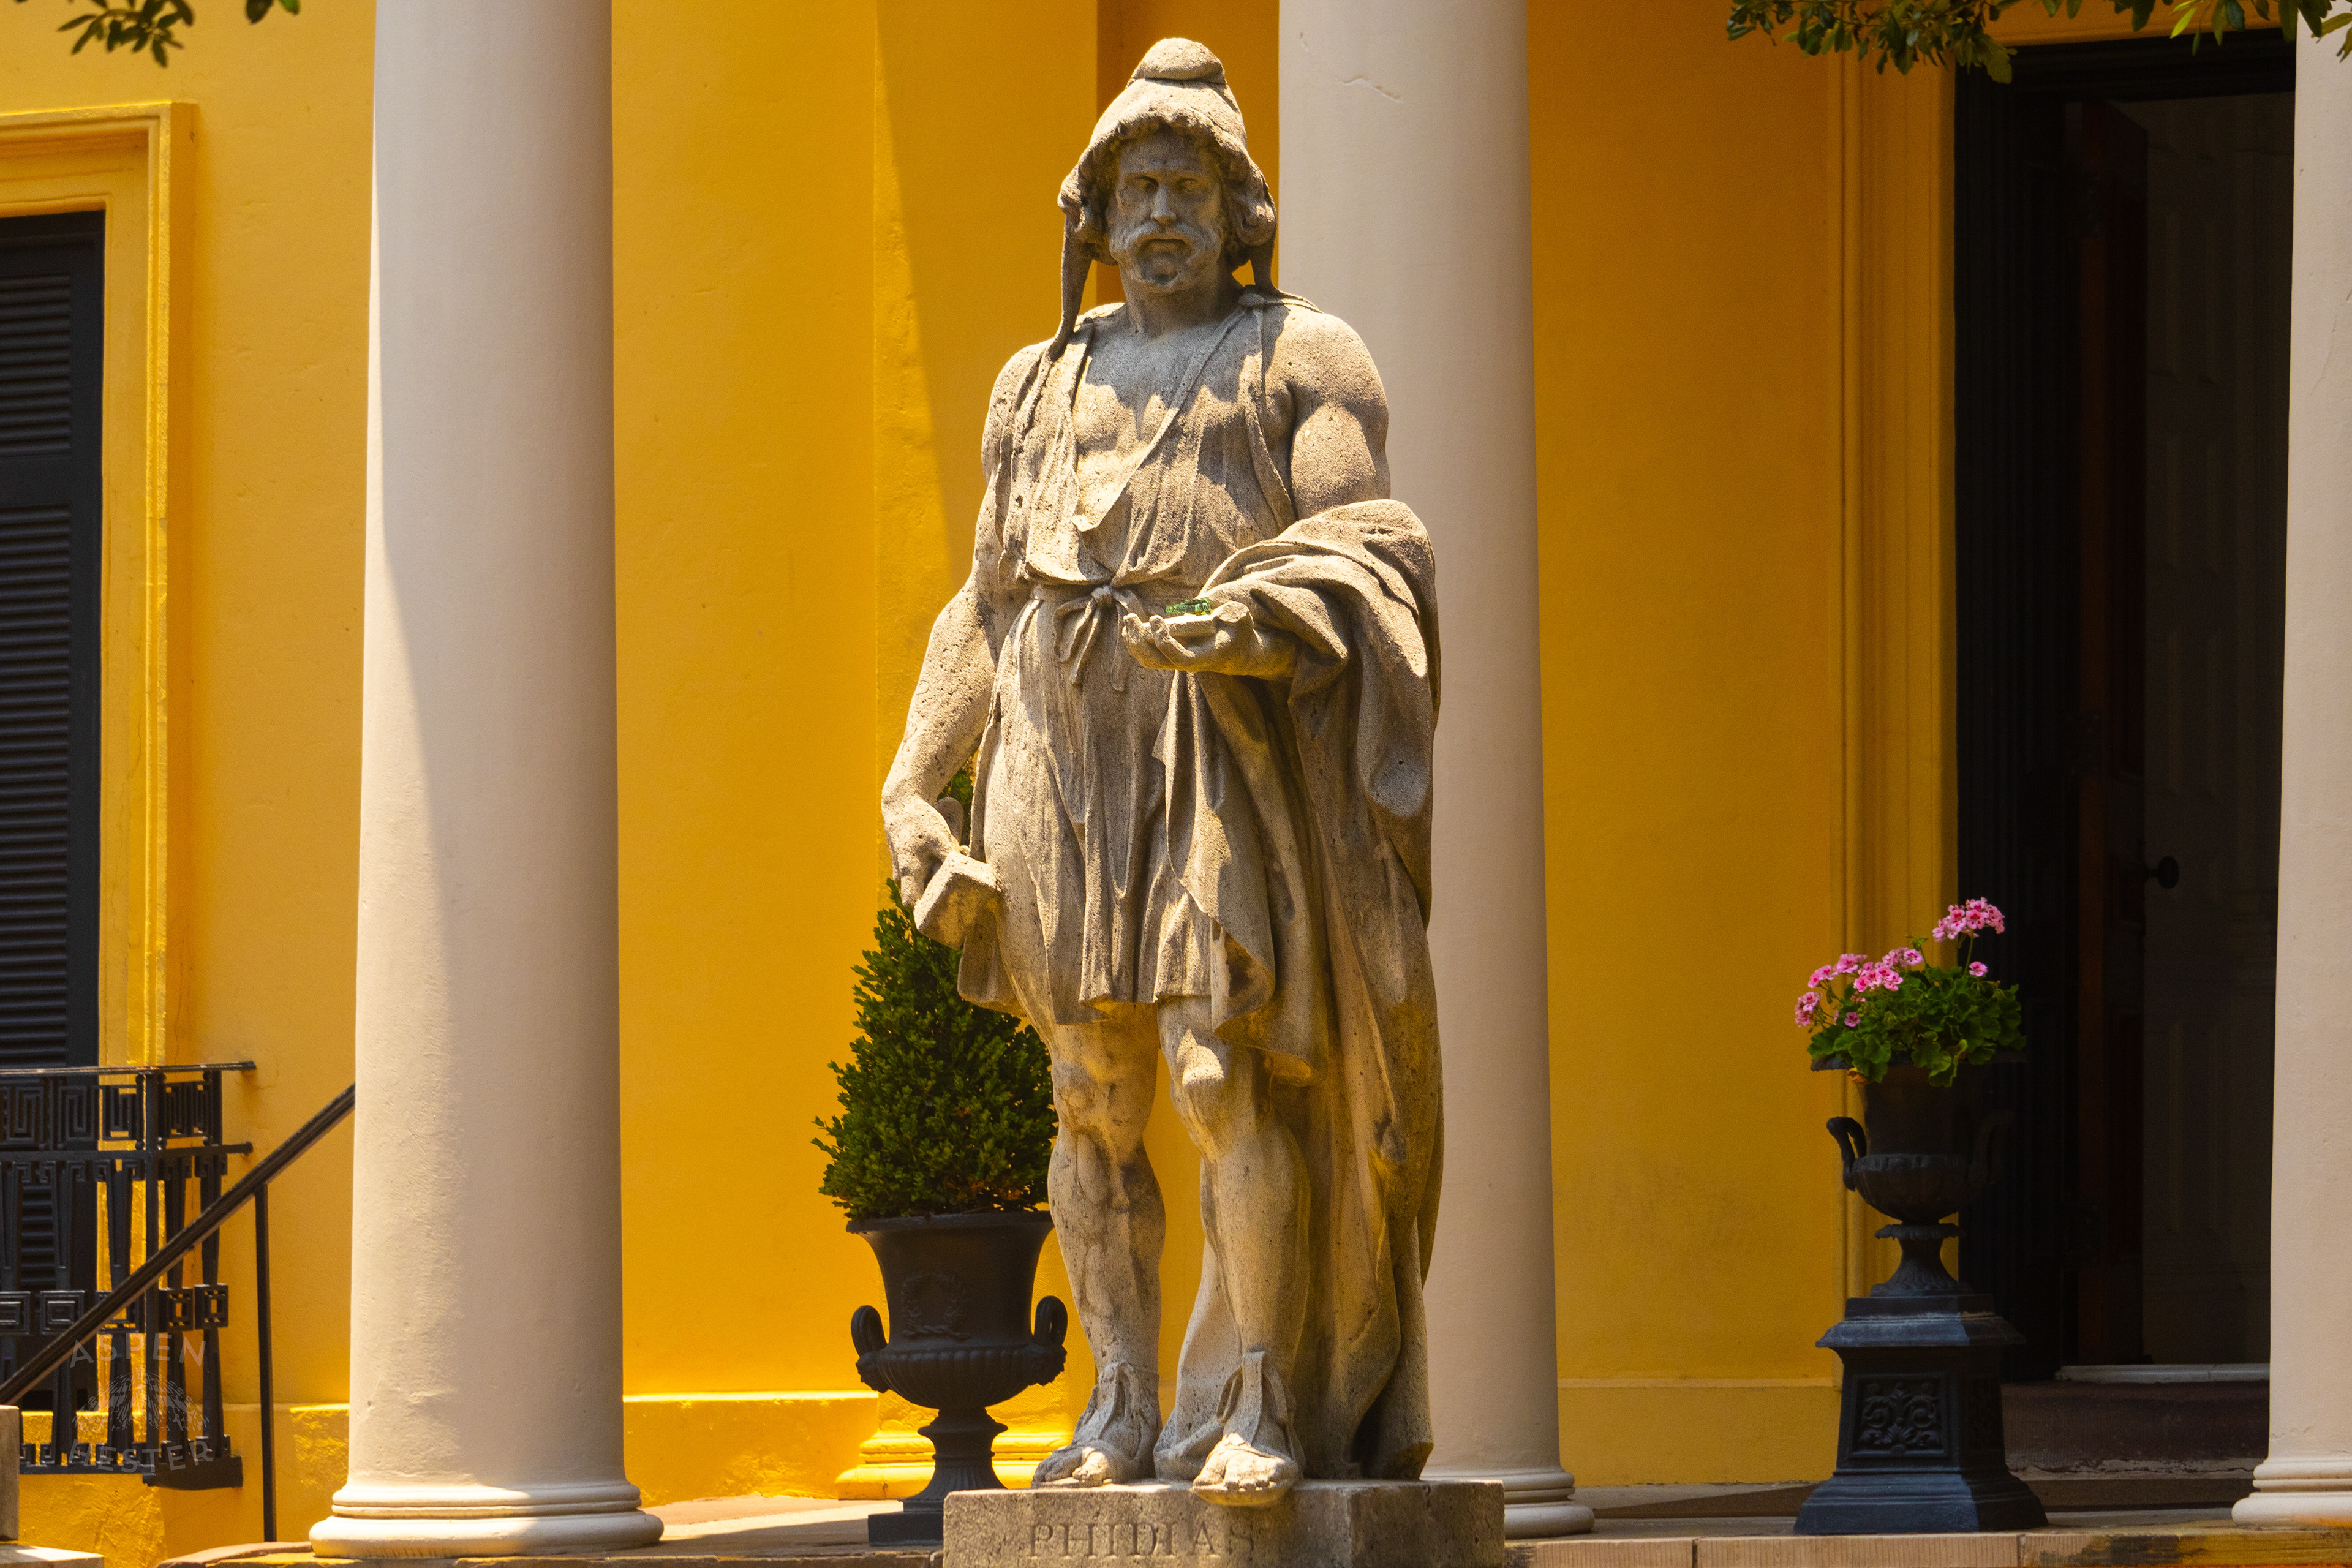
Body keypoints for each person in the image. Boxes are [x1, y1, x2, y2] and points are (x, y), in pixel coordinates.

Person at [879, 37, 1444, 1509]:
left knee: (1214, 1066)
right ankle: (1122, 1402)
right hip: (1060, 751)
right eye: (1136, 187)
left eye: (1190, 184)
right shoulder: (1036, 385)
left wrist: (1256, 613)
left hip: (1215, 743)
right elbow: (988, 604)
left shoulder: (1303, 358)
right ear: (1097, 212)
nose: (1162, 213)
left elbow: (1365, 552)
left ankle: (1263, 1394)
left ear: (1242, 208)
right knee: (1089, 1092)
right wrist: (911, 784)